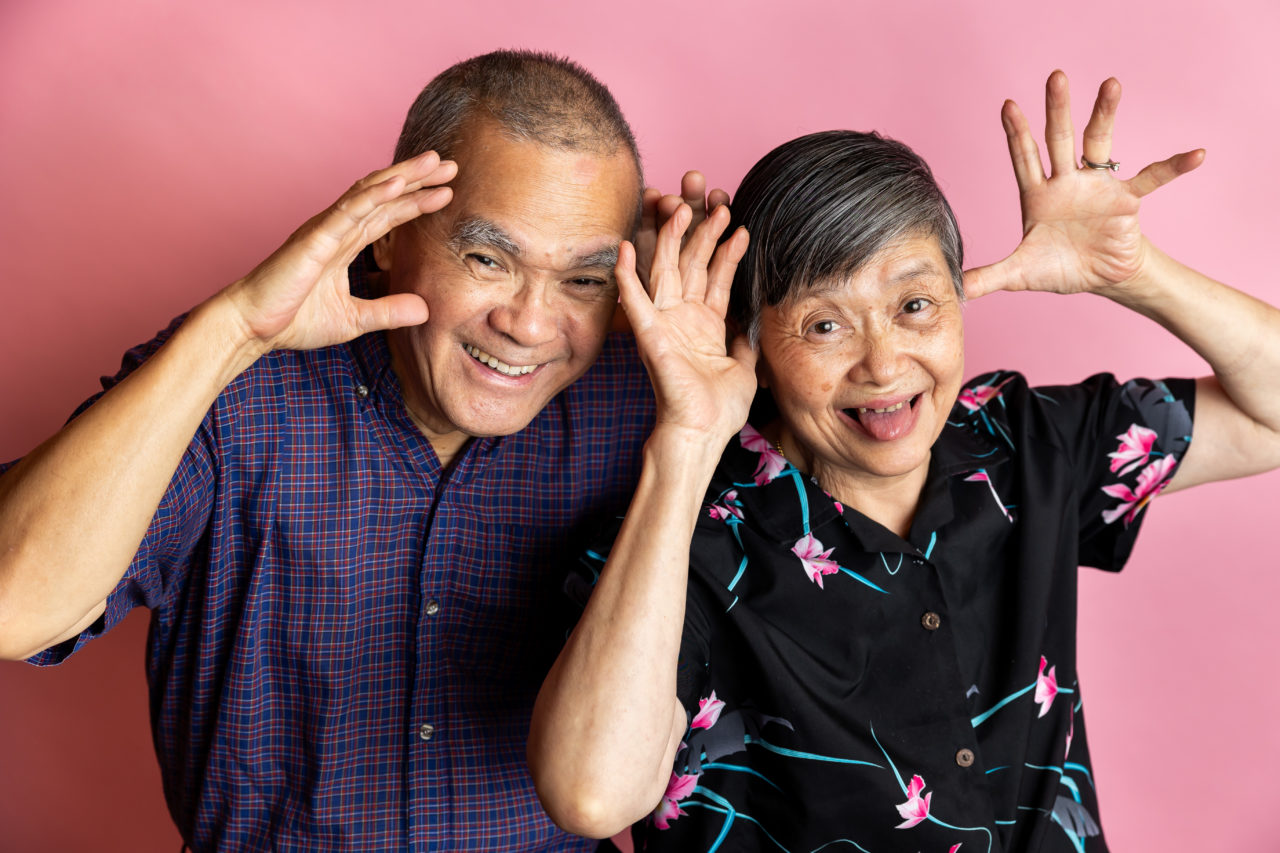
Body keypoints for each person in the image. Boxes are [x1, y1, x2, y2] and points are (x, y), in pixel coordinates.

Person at [527, 71, 1280, 852]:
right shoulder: (681, 541)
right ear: (750, 341)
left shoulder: (1019, 439)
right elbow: (589, 793)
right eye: (825, 325)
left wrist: (1137, 276)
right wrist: (688, 435)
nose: (883, 364)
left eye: (916, 305)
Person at [0, 50, 733, 851]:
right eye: (489, 258)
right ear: (388, 234)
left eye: (583, 281)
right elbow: (14, 608)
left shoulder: (651, 403)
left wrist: (754, 294)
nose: (528, 323)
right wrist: (233, 329)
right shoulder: (232, 391)